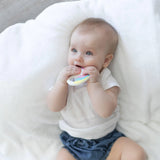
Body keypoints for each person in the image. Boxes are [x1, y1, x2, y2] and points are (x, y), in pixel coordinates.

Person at [48, 18, 147, 160]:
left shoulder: (105, 79)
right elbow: (54, 106)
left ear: (106, 61)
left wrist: (94, 84)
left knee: (136, 153)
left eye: (88, 53)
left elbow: (105, 111)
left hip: (108, 141)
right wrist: (61, 83)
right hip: (74, 145)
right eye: (74, 50)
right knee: (62, 156)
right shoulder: (66, 79)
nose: (78, 58)